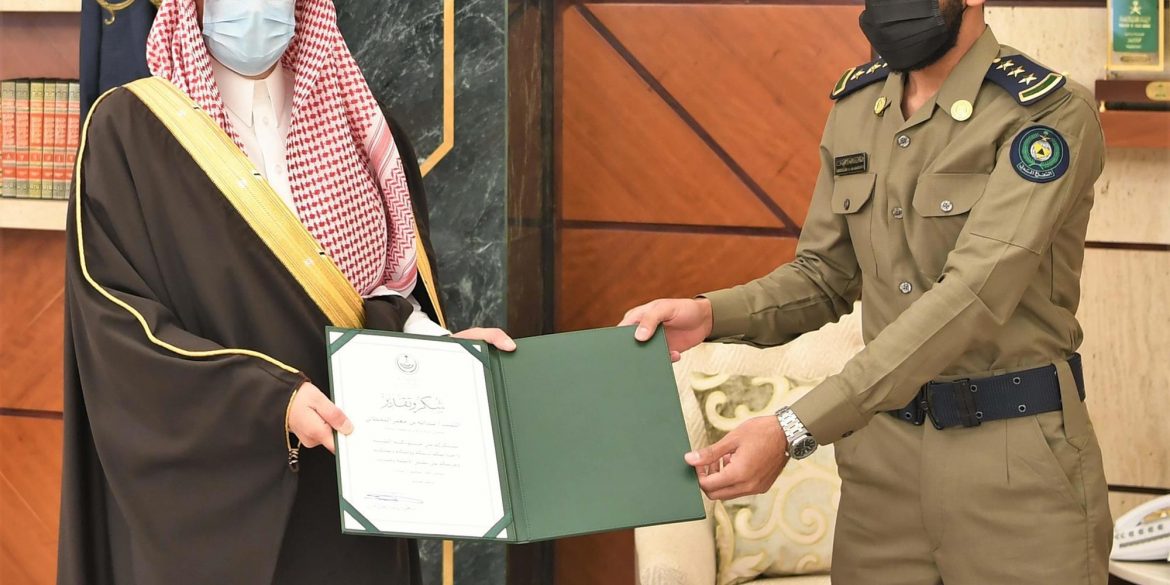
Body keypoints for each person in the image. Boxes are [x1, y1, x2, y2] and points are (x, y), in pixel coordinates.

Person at [621, 1, 1111, 583]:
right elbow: (823, 274)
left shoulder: (1048, 113)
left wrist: (796, 427)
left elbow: (971, 297)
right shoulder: (858, 105)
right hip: (881, 471)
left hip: (1012, 466)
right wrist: (710, 315)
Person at [58, 0, 515, 583]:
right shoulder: (129, 132)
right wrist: (269, 402)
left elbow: (384, 295)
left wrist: (440, 352)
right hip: (210, 501)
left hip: (351, 487)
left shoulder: (362, 125)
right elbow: (117, 328)